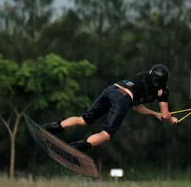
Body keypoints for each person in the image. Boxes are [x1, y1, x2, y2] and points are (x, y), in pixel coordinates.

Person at [43, 64, 178, 152]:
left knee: (83, 119)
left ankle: (50, 127)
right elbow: (165, 115)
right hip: (123, 98)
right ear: (165, 79)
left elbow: (136, 107)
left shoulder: (143, 76)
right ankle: (74, 148)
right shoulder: (163, 90)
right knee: (106, 134)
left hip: (112, 89)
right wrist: (171, 119)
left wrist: (154, 113)